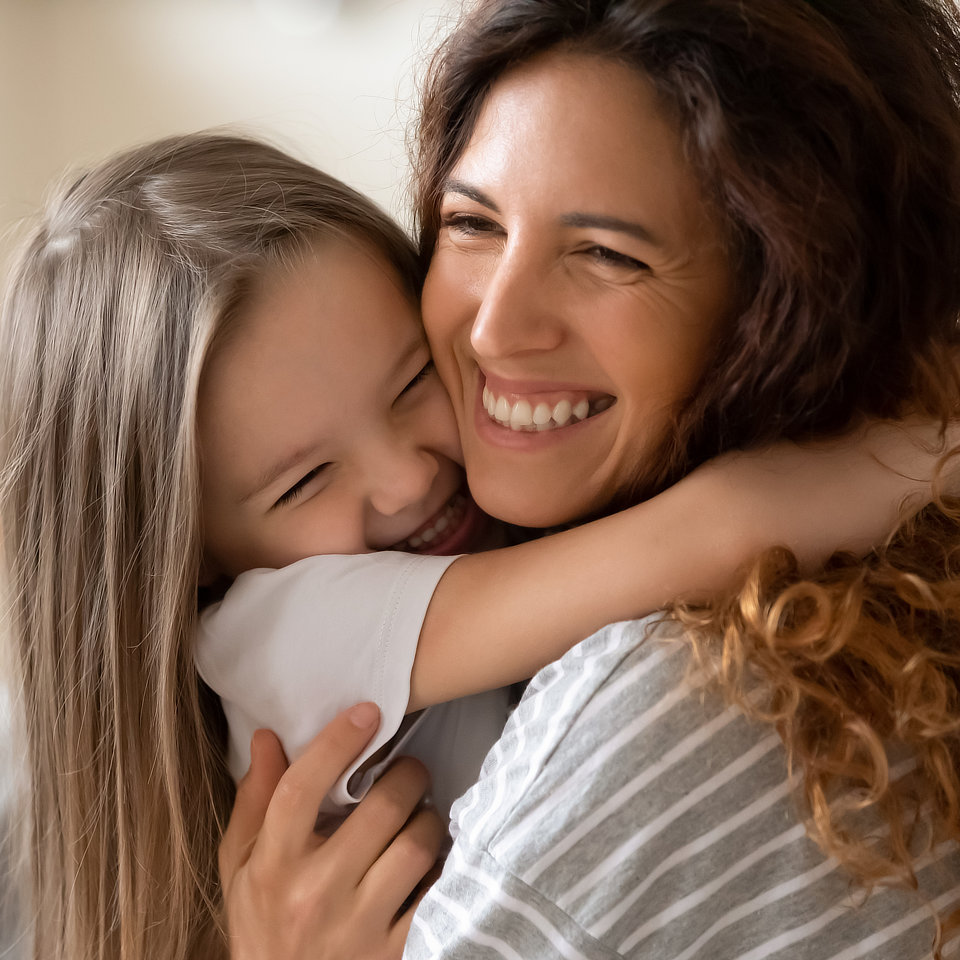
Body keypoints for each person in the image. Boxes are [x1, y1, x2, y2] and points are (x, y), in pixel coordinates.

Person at [0, 130, 918, 960]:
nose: (406, 478)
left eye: (409, 385)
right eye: (303, 482)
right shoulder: (272, 635)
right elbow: (712, 532)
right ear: (189, 559)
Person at [220, 0, 960, 957]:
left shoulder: (652, 712)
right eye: (472, 222)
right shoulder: (887, 598)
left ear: (785, 301)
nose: (492, 331)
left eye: (607, 252)